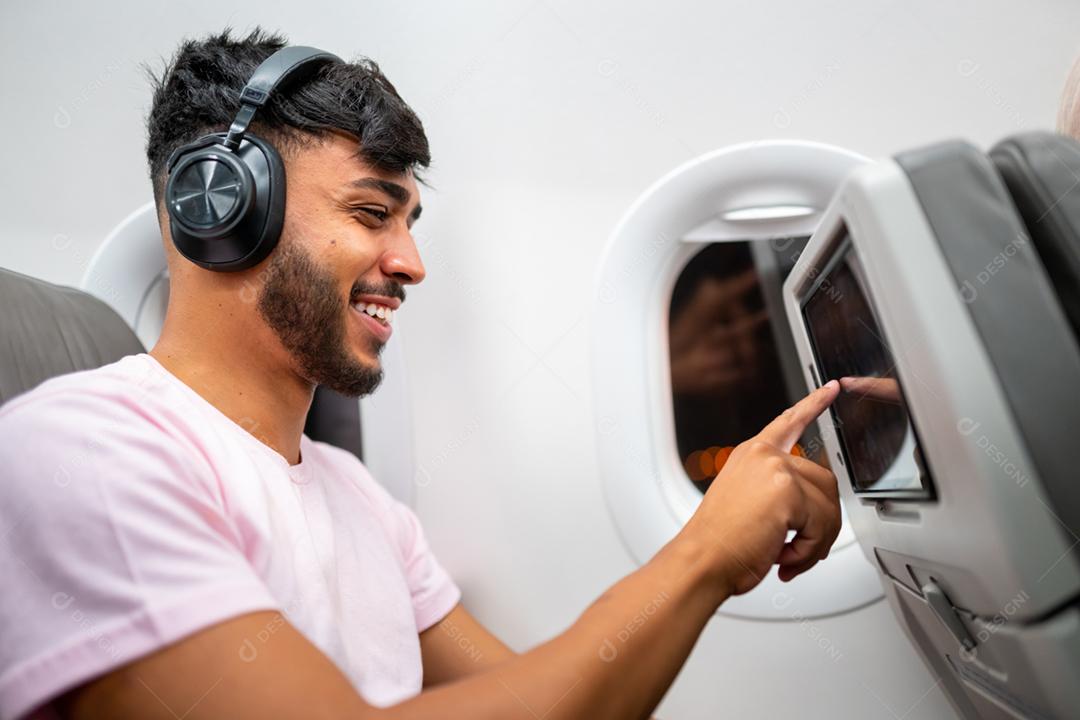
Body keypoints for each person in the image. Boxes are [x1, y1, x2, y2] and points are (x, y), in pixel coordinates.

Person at [0, 29, 842, 720]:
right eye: (371, 214)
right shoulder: (82, 452)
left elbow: (535, 695)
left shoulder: (359, 497)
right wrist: (701, 554)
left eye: (410, 223)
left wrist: (729, 538)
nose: (411, 263)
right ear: (218, 210)